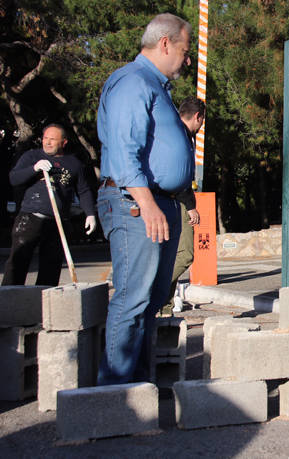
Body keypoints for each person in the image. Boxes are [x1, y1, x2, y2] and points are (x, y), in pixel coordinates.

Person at [96, 13, 193, 385]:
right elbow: (124, 150)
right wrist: (148, 203)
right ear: (165, 43)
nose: (187, 60)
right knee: (133, 299)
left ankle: (136, 387)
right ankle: (115, 398)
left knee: (150, 301)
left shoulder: (156, 88)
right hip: (136, 203)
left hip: (156, 202)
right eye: (185, 51)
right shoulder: (133, 83)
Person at [2, 124, 96, 286]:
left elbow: (84, 190)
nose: (47, 142)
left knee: (51, 265)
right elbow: (14, 179)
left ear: (64, 142)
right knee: (18, 261)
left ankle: (45, 301)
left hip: (58, 222)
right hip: (30, 218)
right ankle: (10, 299)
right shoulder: (32, 156)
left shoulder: (74, 163)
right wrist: (34, 168)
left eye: (53, 139)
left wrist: (90, 213)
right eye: (45, 138)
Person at [161, 96, 205, 316]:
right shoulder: (180, 135)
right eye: (202, 120)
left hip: (168, 199)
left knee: (171, 255)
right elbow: (179, 174)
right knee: (185, 254)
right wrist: (190, 206)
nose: (201, 125)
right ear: (197, 116)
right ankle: (157, 289)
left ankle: (165, 307)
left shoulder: (172, 130)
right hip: (176, 200)